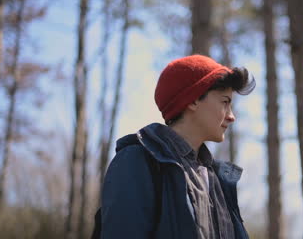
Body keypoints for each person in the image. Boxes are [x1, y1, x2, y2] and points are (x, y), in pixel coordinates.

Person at [96, 55, 255, 239]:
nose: (231, 116)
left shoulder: (218, 178)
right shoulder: (137, 162)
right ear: (194, 100)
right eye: (225, 102)